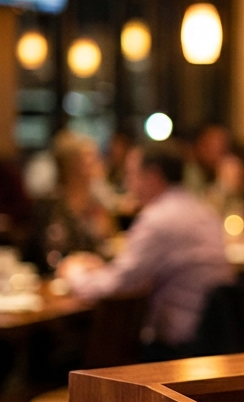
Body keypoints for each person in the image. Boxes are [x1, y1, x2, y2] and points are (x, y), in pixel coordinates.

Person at [58, 140, 234, 360]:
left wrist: (73, 272)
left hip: (176, 349)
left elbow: (117, 285)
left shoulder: (159, 218)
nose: (129, 185)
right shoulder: (202, 211)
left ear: (152, 176)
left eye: (132, 174)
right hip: (214, 339)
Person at [27, 130, 117, 271]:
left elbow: (107, 247)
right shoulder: (50, 206)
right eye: (91, 157)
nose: (99, 162)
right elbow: (49, 259)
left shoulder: (97, 204)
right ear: (73, 164)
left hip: (93, 282)